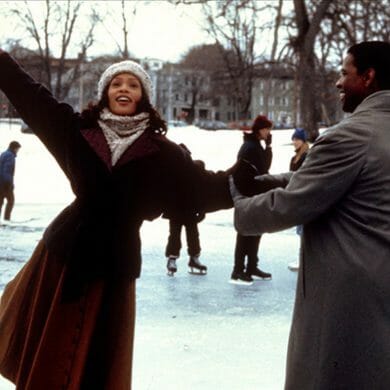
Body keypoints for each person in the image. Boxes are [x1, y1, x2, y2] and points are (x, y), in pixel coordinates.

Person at [0, 50, 233, 389]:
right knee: (49, 357)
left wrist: (245, 181)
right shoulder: (78, 131)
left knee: (96, 367)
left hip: (114, 265)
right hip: (64, 258)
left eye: (133, 84)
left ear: (144, 96)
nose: (124, 89)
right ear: (106, 91)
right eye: (117, 83)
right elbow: (30, 96)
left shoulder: (163, 153)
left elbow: (205, 188)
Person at [230, 41, 390, 389]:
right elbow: (342, 180)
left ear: (369, 76)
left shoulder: (352, 135)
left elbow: (293, 204)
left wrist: (241, 204)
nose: (337, 82)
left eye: (344, 73)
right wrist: (268, 180)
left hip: (348, 300)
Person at [230, 115, 273, 285]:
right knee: (245, 233)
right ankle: (238, 270)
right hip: (247, 195)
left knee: (255, 230)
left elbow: (264, 167)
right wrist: (246, 196)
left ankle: (251, 267)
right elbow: (258, 170)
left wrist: (268, 146)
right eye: (267, 129)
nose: (269, 133)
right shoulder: (250, 146)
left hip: (253, 194)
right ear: (261, 129)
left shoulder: (255, 145)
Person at [164, 143, 207, 276]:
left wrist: (201, 208)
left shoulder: (194, 169)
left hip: (188, 209)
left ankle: (191, 258)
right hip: (177, 209)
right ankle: (175, 258)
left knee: (191, 234)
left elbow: (199, 191)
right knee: (177, 235)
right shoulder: (171, 171)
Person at [287, 128, 309, 271]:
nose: (294, 142)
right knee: (300, 230)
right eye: (293, 139)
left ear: (303, 141)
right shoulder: (294, 158)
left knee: (304, 230)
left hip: (305, 196)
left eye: (297, 139)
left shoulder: (307, 156)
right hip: (296, 195)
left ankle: (304, 260)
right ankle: (303, 259)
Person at [0, 140, 21, 224]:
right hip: (5, 183)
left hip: (0, 182)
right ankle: (6, 220)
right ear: (15, 148)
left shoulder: (3, 154)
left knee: (0, 202)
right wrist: (9, 183)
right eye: (18, 149)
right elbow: (7, 170)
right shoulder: (10, 156)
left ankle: (3, 221)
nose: (18, 151)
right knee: (11, 201)